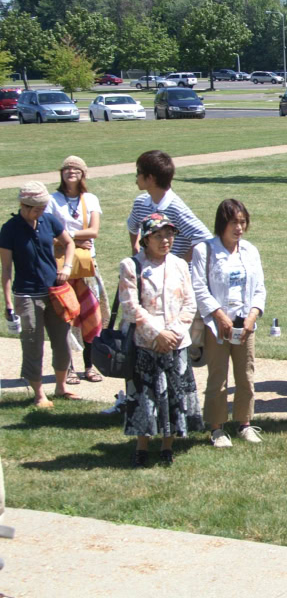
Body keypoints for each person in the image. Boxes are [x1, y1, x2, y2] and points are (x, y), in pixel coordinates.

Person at [120, 213, 203, 467]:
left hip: (176, 344)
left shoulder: (179, 264)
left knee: (173, 397)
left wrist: (173, 333)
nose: (165, 240)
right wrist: (158, 334)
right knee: (145, 398)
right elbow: (130, 307)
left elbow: (190, 303)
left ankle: (168, 446)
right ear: (145, 239)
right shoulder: (131, 266)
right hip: (147, 344)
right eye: (158, 235)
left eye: (169, 234)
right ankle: (142, 448)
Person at [192, 199, 267, 448]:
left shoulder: (250, 251)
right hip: (217, 325)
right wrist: (219, 316)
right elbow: (199, 287)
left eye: (243, 222)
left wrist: (252, 316)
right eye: (234, 222)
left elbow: (259, 289)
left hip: (245, 324)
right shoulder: (206, 250)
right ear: (222, 223)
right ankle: (216, 427)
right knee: (218, 376)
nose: (239, 227)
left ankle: (245, 423)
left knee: (246, 374)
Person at [0, 182, 77, 407]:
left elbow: (69, 242)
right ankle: (39, 394)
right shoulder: (10, 229)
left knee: (62, 341)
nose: (40, 213)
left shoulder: (49, 220)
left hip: (55, 291)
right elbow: (6, 269)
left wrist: (67, 267)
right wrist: (8, 303)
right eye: (36, 209)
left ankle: (61, 388)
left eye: (43, 208)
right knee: (33, 344)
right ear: (24, 206)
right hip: (26, 294)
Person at [45, 156, 108, 384]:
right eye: (67, 168)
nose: (71, 171)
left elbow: (94, 232)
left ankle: (90, 366)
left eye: (76, 168)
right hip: (61, 267)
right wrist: (73, 242)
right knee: (65, 317)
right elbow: (47, 235)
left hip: (86, 266)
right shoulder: (52, 201)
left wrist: (68, 237)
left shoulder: (90, 199)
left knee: (92, 316)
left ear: (83, 174)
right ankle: (69, 368)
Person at [127, 150, 212, 262]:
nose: (136, 176)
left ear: (150, 178)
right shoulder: (140, 203)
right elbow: (132, 226)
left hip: (174, 278)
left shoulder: (176, 208)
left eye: (139, 172)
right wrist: (136, 252)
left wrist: (178, 265)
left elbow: (205, 239)